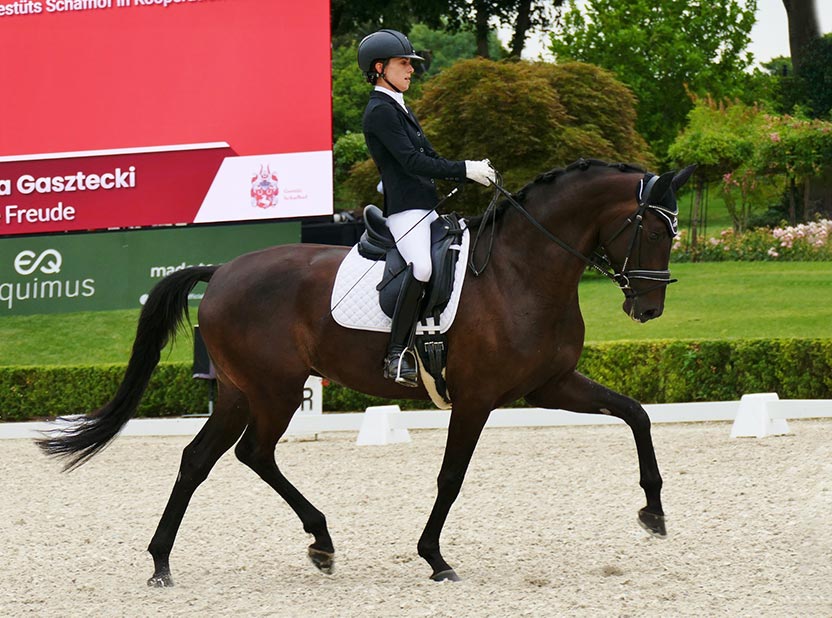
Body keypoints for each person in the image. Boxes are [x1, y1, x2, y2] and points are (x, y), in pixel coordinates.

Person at [358, 28, 495, 388]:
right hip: (405, 212)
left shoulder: (399, 108)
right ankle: (396, 353)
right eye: (404, 63)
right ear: (379, 68)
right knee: (420, 267)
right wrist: (463, 169)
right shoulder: (379, 112)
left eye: (410, 64)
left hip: (426, 209)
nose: (411, 70)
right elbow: (411, 162)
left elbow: (430, 156)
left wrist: (471, 171)